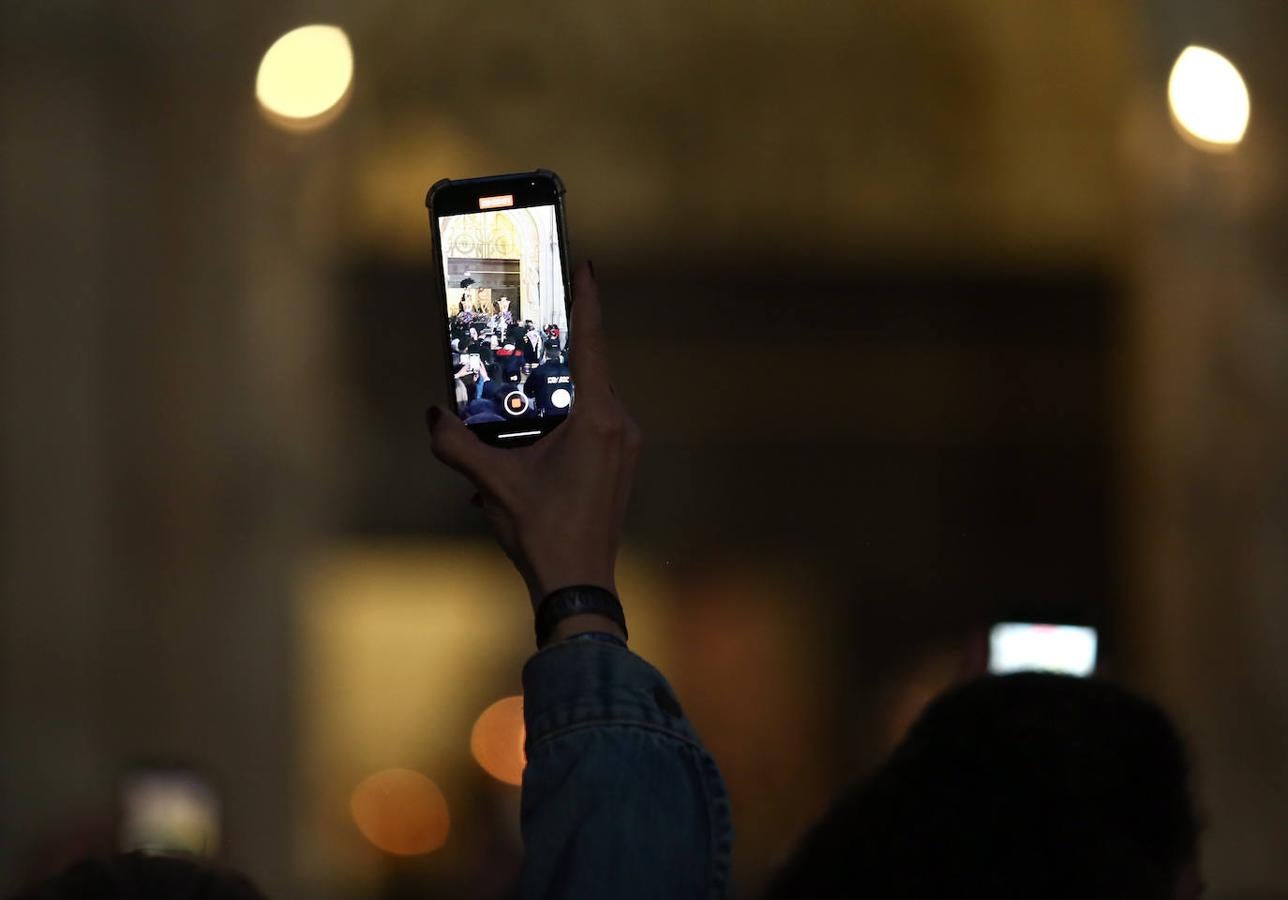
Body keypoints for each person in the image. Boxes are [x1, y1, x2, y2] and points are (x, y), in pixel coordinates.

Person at [523, 346, 573, 416]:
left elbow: (527, 391)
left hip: (544, 411)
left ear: (545, 353)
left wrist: (537, 394)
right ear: (559, 354)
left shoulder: (539, 371)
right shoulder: (568, 371)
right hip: (565, 411)